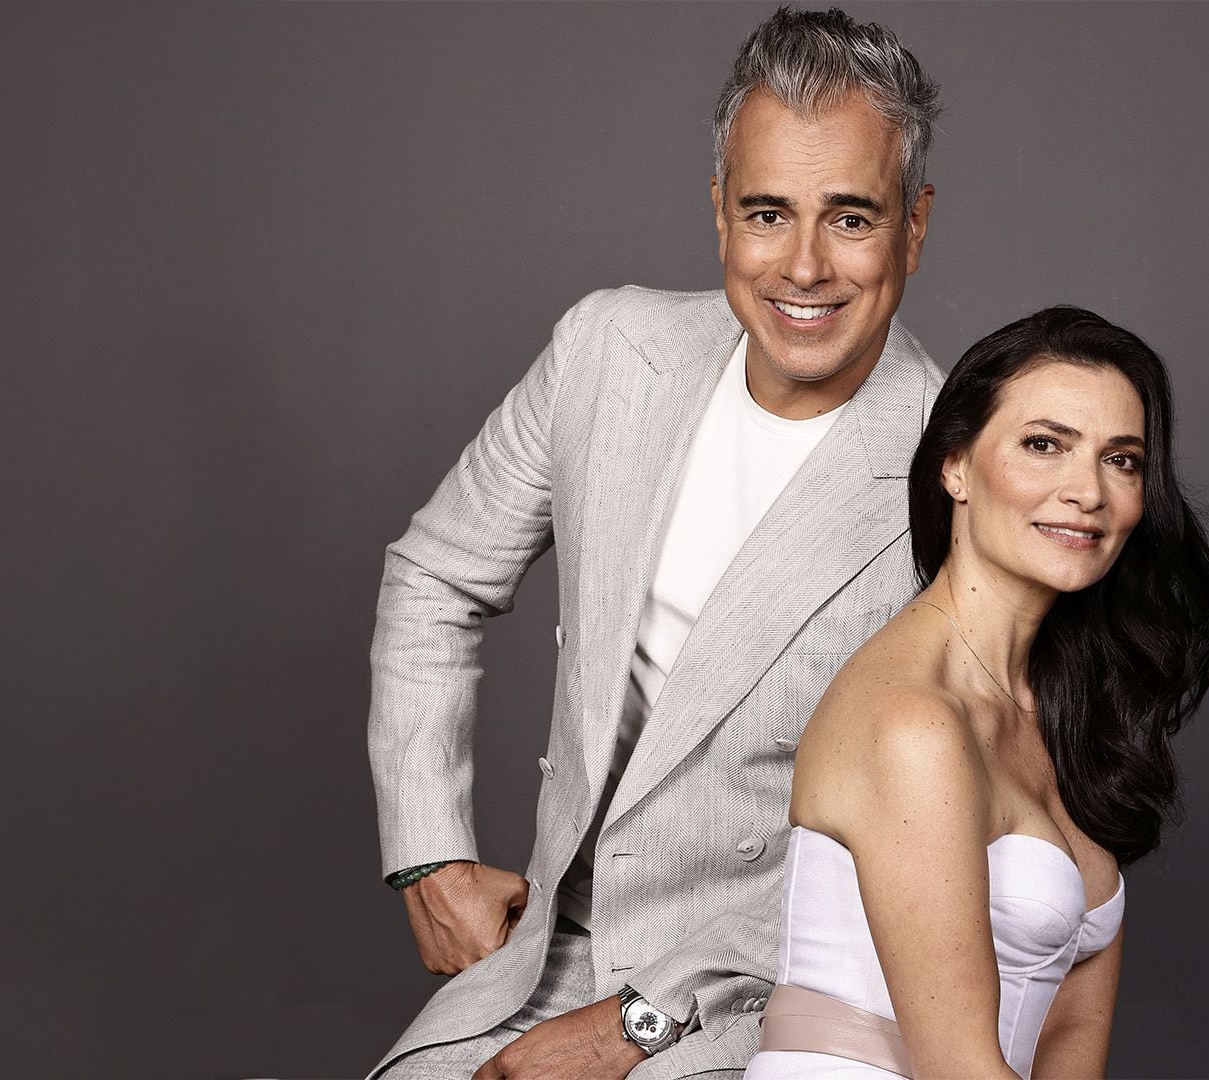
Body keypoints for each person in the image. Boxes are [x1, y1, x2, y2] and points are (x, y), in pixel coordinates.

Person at [365, 8, 943, 1080]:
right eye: (768, 212)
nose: (804, 266)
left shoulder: (957, 469)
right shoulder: (609, 350)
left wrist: (630, 1026)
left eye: (851, 217)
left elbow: (933, 852)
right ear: (720, 213)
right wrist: (429, 853)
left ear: (914, 225)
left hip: (775, 997)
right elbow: (435, 574)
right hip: (548, 954)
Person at [743, 306, 1209, 1079]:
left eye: (1122, 459)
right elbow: (960, 1069)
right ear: (956, 466)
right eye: (1044, 445)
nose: (1088, 491)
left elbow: (1070, 1038)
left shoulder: (1067, 716)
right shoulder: (912, 720)